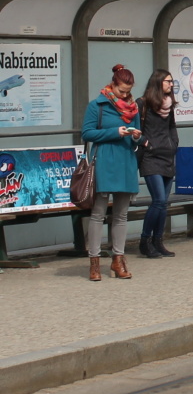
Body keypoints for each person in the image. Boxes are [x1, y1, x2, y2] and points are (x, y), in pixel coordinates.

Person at [82, 64, 142, 282]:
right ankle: (94, 262)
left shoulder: (133, 108)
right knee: (98, 214)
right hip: (104, 160)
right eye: (121, 91)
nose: (125, 95)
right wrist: (114, 132)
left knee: (121, 215)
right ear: (113, 85)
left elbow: (137, 134)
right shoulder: (96, 105)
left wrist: (136, 136)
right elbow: (87, 133)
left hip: (126, 160)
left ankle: (118, 260)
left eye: (128, 91)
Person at [136, 69, 179, 259]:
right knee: (159, 200)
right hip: (151, 158)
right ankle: (144, 241)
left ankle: (158, 241)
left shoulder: (169, 105)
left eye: (172, 81)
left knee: (164, 203)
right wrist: (146, 143)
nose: (171, 84)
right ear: (158, 82)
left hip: (168, 157)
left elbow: (171, 127)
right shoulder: (142, 104)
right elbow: (135, 130)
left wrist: (174, 143)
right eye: (168, 81)